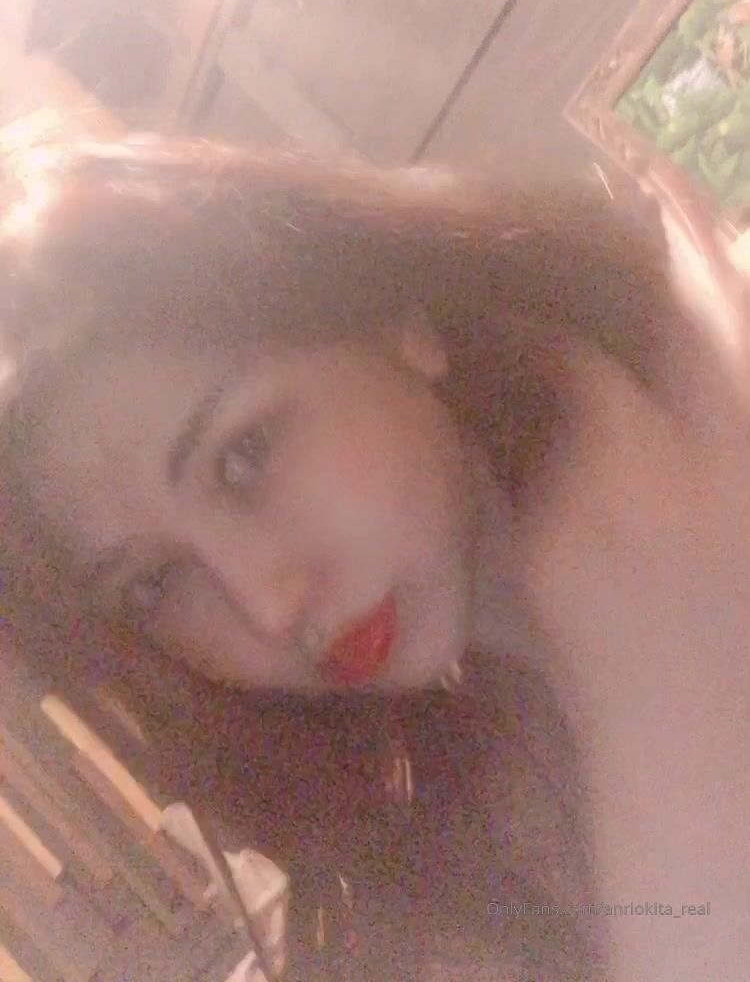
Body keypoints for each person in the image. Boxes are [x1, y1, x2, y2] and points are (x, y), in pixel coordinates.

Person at [1, 136, 747, 982]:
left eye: (244, 456)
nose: (269, 606)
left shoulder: (710, 387)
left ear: (394, 323)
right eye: (154, 583)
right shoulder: (452, 852)